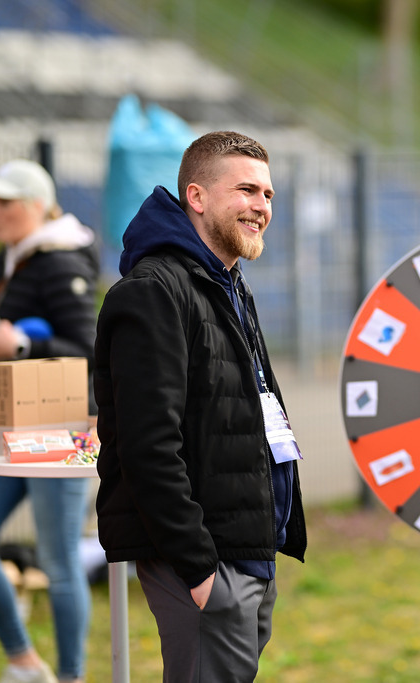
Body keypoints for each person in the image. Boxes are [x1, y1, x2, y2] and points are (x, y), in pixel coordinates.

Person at [94, 131, 307, 682]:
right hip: (208, 560)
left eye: (268, 194)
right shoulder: (154, 292)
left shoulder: (226, 283)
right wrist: (199, 568)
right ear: (197, 196)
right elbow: (147, 446)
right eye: (246, 190)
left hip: (248, 548)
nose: (261, 206)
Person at [0, 159, 98, 683]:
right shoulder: (9, 259)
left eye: (4, 202)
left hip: (64, 426)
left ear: (36, 206)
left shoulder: (61, 262)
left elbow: (88, 349)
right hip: (12, 424)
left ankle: (70, 677)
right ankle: (24, 661)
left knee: (59, 566)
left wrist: (22, 344)